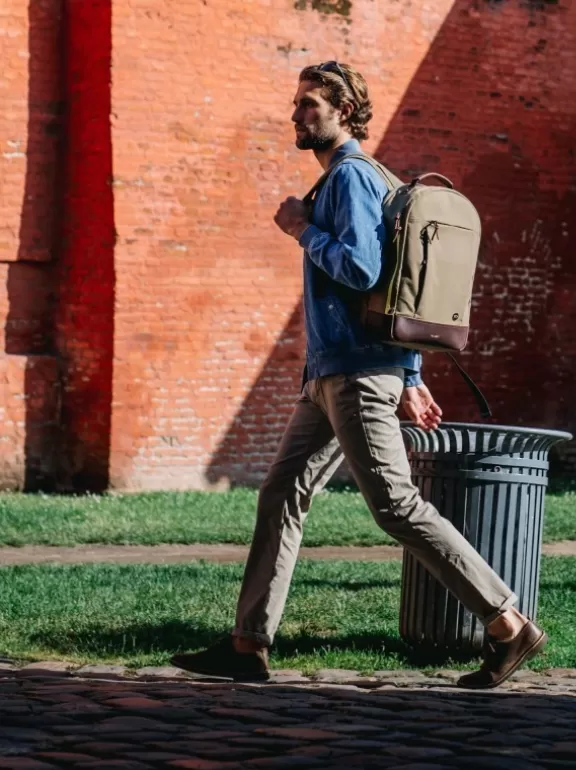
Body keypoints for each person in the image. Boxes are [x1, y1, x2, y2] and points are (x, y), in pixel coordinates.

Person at [171, 61, 546, 689]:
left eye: (310, 103)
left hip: (354, 377)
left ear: (344, 111)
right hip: (333, 375)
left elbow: (364, 271)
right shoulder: (354, 180)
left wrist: (301, 230)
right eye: (296, 102)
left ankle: (507, 622)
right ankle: (248, 644)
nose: (297, 113)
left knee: (396, 506)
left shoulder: (348, 178)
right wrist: (412, 371)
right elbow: (398, 290)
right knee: (281, 495)